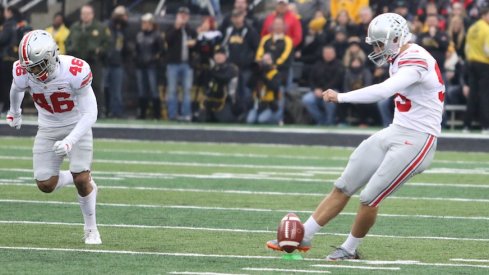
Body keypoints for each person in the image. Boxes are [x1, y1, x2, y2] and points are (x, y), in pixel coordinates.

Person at [267, 13, 444, 260]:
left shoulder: (416, 59)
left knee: (369, 197)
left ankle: (349, 249)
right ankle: (304, 235)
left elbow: (384, 91)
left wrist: (341, 96)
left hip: (418, 140)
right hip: (395, 130)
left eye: (380, 43)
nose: (377, 49)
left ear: (396, 38)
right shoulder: (400, 56)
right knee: (344, 184)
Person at [6, 30, 101, 244]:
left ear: (51, 56)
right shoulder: (23, 70)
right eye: (30, 67)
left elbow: (90, 113)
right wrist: (15, 111)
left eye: (38, 65)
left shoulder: (75, 70)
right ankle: (72, 176)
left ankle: (91, 229)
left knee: (82, 178)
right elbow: (16, 87)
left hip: (77, 124)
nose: (34, 72)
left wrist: (70, 140)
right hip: (48, 127)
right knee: (45, 184)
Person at [66, 4, 110, 118]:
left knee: (96, 86)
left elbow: (107, 43)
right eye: (83, 14)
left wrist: (99, 51)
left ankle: (98, 111)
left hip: (93, 61)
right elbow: (68, 41)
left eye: (87, 14)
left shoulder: (100, 27)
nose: (85, 16)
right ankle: (76, 111)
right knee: (75, 86)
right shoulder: (75, 27)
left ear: (92, 15)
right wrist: (71, 50)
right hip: (78, 62)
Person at [165, 6, 197, 121]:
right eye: (181, 15)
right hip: (173, 64)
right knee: (172, 90)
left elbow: (197, 46)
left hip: (187, 64)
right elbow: (168, 40)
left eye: (185, 15)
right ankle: (172, 115)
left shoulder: (191, 30)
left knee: (187, 90)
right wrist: (177, 27)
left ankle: (186, 114)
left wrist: (194, 44)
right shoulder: (171, 28)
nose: (183, 17)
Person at [463, 7, 489, 134]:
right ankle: (485, 126)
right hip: (484, 64)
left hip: (471, 63)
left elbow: (467, 48)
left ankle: (466, 125)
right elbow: (487, 49)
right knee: (484, 95)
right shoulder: (486, 29)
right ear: (485, 15)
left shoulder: (472, 28)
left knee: (472, 95)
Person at [135, 13, 164, 120]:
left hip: (152, 66)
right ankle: (142, 113)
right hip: (141, 65)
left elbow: (161, 51)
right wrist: (137, 59)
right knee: (142, 89)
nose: (143, 24)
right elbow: (137, 50)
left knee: (153, 89)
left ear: (151, 23)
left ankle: (157, 114)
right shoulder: (139, 35)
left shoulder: (157, 35)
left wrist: (153, 59)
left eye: (145, 22)